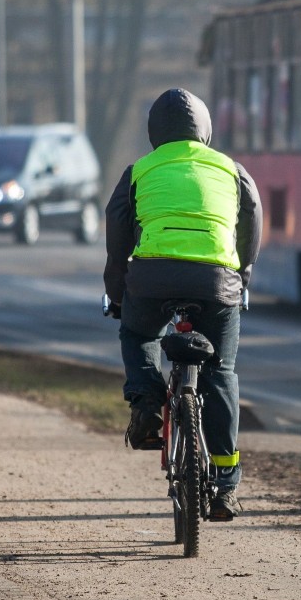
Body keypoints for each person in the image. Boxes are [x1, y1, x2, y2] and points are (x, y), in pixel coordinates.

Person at [104, 87, 262, 521]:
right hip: (217, 281)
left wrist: (117, 290)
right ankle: (226, 485)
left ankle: (147, 403)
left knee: (138, 333)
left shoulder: (139, 170)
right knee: (222, 371)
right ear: (205, 130)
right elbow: (251, 223)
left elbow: (117, 236)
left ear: (154, 132)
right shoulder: (231, 170)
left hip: (151, 277)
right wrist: (241, 274)